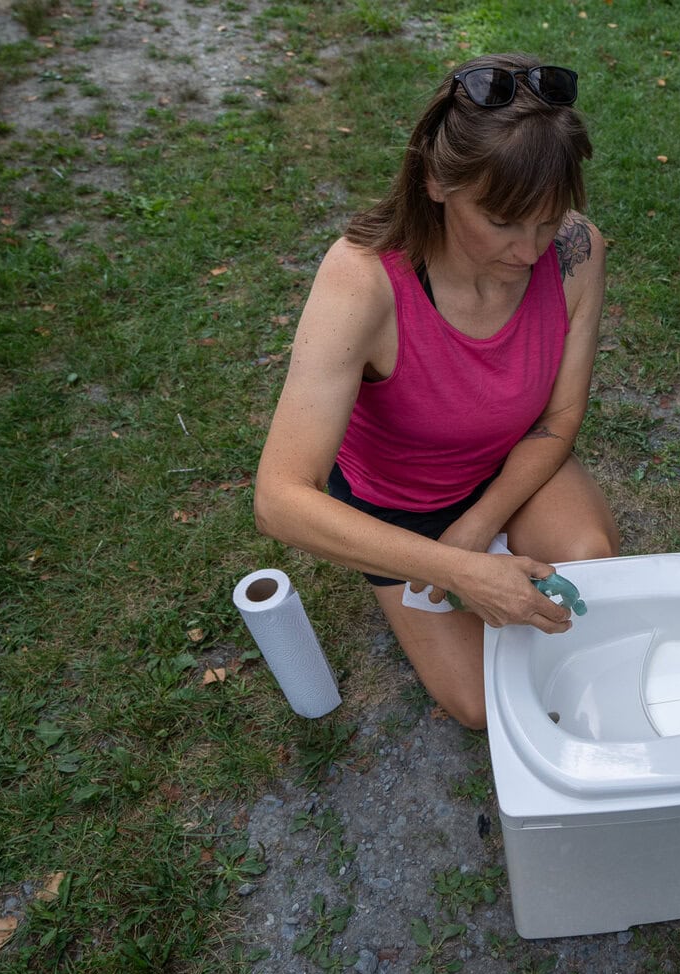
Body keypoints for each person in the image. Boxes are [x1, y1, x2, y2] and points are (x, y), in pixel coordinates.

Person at [254, 54, 620, 729]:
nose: (531, 250)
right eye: (504, 222)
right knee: (488, 706)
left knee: (592, 571)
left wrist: (480, 527)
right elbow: (278, 500)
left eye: (549, 219)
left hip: (511, 467)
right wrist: (454, 567)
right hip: (401, 504)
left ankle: (494, 538)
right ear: (434, 181)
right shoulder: (362, 281)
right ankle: (407, 573)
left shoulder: (578, 251)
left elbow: (559, 419)